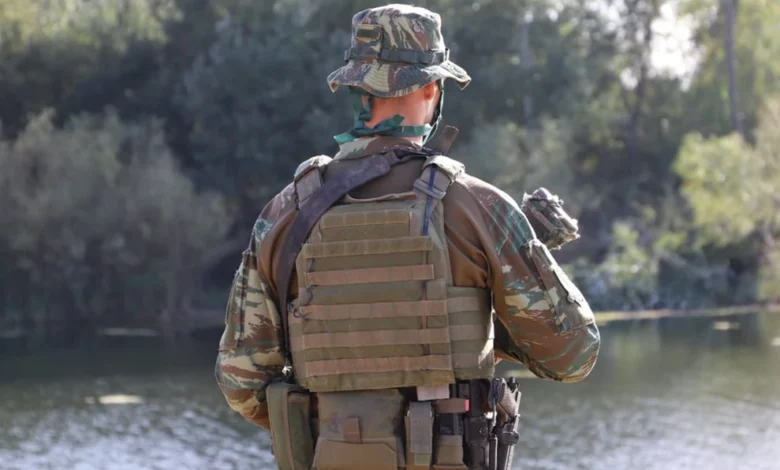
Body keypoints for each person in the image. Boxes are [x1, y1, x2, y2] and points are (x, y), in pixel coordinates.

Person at [215, 4, 600, 470]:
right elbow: (572, 355)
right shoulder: (479, 207)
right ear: (432, 89)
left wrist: (325, 421)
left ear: (357, 90)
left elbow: (242, 382)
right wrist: (485, 324)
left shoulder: (283, 214)